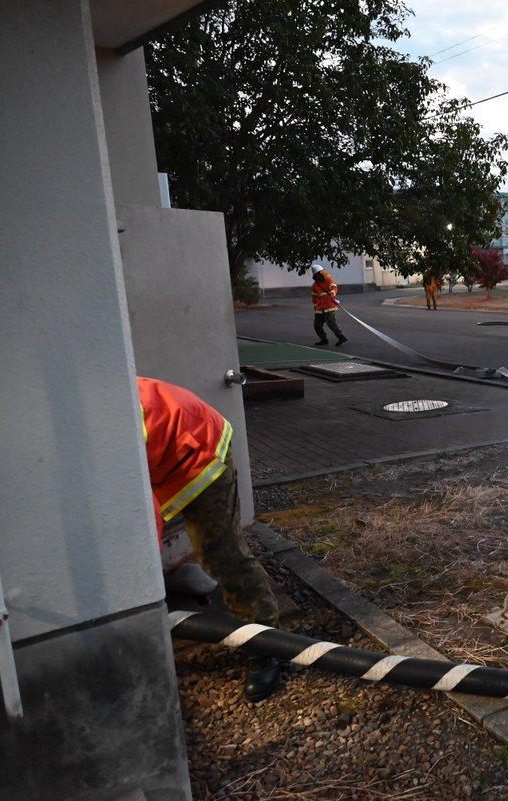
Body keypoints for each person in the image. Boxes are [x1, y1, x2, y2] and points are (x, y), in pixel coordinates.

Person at [138, 376, 282, 701]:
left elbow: (140, 517)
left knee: (222, 553)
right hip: (170, 438)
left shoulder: (110, 429)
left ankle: (265, 643)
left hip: (198, 445)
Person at [310, 263, 347, 346]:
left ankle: (341, 337)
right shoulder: (315, 285)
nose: (317, 276)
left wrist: (332, 293)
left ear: (322, 273)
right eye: (316, 275)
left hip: (330, 306)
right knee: (317, 325)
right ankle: (324, 339)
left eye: (318, 274)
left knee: (330, 322)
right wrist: (315, 308)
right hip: (320, 307)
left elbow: (334, 287)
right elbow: (314, 298)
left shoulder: (329, 280)